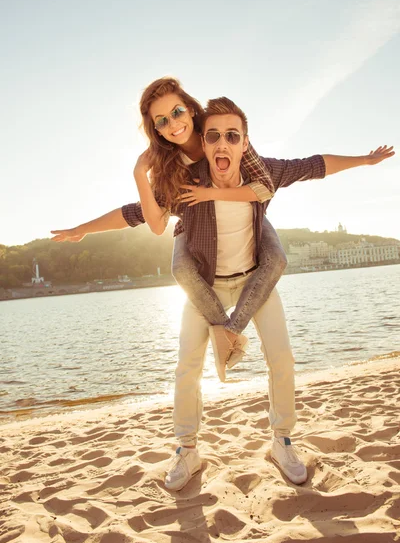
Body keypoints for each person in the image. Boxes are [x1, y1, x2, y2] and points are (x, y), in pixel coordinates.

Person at [52, 91, 394, 489]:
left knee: (281, 358)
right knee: (187, 369)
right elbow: (134, 215)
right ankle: (187, 450)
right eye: (214, 137)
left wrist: (364, 160)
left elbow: (315, 165)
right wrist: (82, 229)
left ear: (244, 143)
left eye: (233, 137)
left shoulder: (263, 172)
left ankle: (282, 441)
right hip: (205, 287)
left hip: (253, 279)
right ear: (204, 140)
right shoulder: (186, 185)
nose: (222, 145)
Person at [52, 77, 289, 380]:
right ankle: (226, 332)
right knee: (181, 268)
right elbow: (145, 217)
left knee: (277, 258)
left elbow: (266, 181)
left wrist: (362, 160)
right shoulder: (171, 167)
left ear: (190, 108)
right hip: (197, 229)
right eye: (162, 121)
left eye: (177, 112)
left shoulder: (220, 131)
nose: (173, 124)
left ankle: (230, 331)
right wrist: (136, 175)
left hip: (248, 217)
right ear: (157, 130)